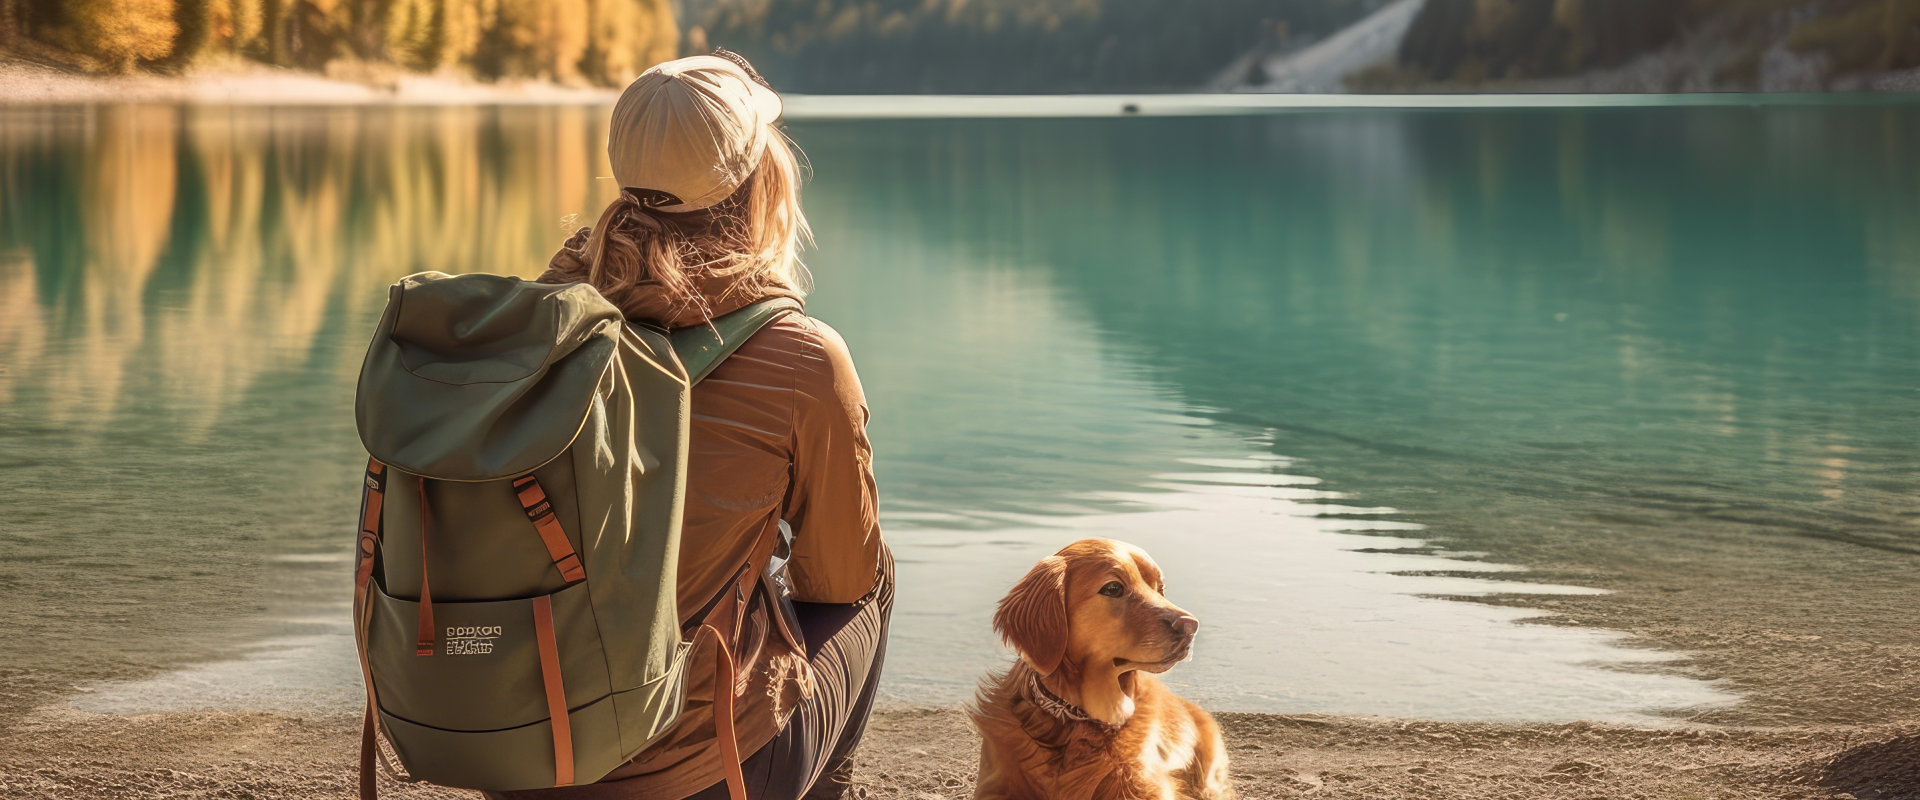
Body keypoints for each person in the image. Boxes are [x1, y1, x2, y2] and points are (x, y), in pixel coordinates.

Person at [488, 51, 890, 800]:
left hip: (518, 751)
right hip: (703, 772)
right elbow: (839, 577)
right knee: (871, 578)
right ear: (760, 176)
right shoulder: (802, 356)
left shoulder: (538, 321)